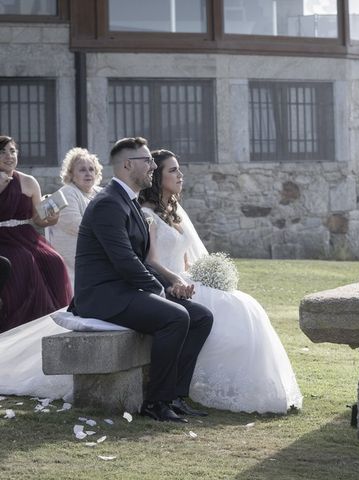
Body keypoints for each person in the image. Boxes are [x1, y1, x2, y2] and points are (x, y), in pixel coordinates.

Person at [139, 149, 302, 414]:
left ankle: (248, 387)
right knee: (228, 312)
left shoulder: (174, 210)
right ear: (157, 176)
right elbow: (151, 260)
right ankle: (187, 391)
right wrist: (179, 279)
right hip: (168, 283)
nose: (180, 175)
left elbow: (188, 257)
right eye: (172, 170)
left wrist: (207, 275)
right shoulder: (148, 214)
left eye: (179, 169)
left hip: (189, 278)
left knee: (246, 306)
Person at [69, 137, 213, 423]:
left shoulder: (129, 201)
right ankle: (155, 402)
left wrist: (170, 284)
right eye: (147, 161)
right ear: (127, 165)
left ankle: (174, 396)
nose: (152, 166)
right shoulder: (109, 203)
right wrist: (162, 290)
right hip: (103, 296)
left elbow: (144, 258)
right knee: (175, 317)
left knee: (201, 317)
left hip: (127, 289)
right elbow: (125, 261)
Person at [0, 135, 72, 332]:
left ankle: (55, 319)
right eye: (2, 151)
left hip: (26, 234)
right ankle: (20, 322)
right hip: (2, 238)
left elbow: (38, 219)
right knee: (23, 260)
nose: (9, 156)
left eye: (12, 151)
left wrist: (54, 215)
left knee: (54, 260)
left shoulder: (28, 181)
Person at [46, 148, 103, 286]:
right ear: (71, 174)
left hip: (96, 255)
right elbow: (77, 225)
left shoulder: (101, 192)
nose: (88, 173)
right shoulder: (66, 193)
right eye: (82, 170)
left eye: (91, 169)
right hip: (73, 260)